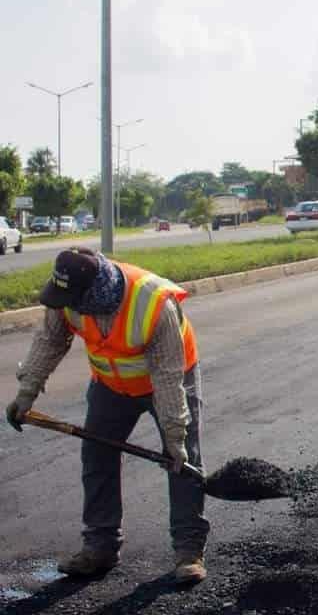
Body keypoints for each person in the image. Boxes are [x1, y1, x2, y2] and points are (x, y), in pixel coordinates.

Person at [5, 248, 208, 584]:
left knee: (183, 462)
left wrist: (174, 438)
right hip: (111, 385)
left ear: (96, 292)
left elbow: (168, 379)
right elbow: (50, 341)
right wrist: (26, 393)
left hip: (169, 382)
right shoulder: (69, 294)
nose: (66, 304)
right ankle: (100, 547)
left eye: (73, 299)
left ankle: (188, 550)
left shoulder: (154, 305)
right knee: (97, 456)